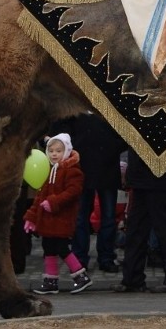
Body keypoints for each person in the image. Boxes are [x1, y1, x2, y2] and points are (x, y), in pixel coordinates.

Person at [53, 112, 127, 273]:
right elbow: (62, 123)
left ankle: (106, 257)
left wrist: (114, 146)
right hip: (82, 165)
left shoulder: (109, 100)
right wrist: (72, 145)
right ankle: (80, 258)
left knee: (108, 217)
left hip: (107, 165)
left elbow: (124, 125)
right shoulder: (78, 101)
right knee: (80, 217)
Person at [23, 133, 92, 294]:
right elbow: (40, 196)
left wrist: (53, 202)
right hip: (48, 220)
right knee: (48, 247)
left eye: (58, 151)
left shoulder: (72, 170)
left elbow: (73, 191)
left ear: (66, 151)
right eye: (51, 151)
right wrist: (31, 217)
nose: (54, 154)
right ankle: (51, 281)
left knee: (61, 247)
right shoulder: (48, 170)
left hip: (62, 217)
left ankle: (81, 275)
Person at [112, 147, 166, 293]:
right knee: (135, 230)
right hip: (142, 178)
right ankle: (133, 278)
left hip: (159, 176)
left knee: (165, 230)